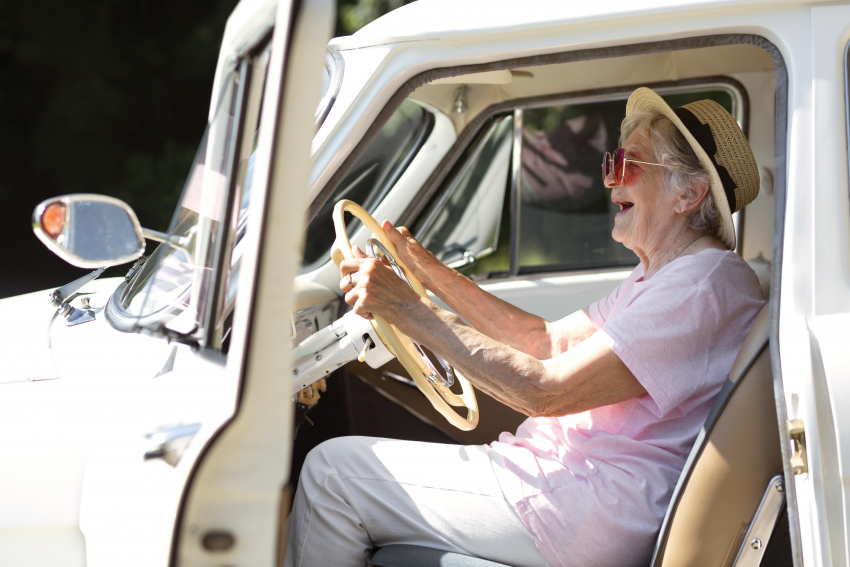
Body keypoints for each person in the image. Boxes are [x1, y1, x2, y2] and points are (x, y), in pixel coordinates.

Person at [284, 87, 766, 567]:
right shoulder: (668, 274)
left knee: (331, 475)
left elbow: (546, 391)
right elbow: (546, 342)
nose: (610, 181)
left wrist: (409, 309)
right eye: (610, 163)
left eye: (628, 166)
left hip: (585, 503)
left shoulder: (700, 285)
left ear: (689, 192)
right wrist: (427, 272)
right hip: (570, 483)